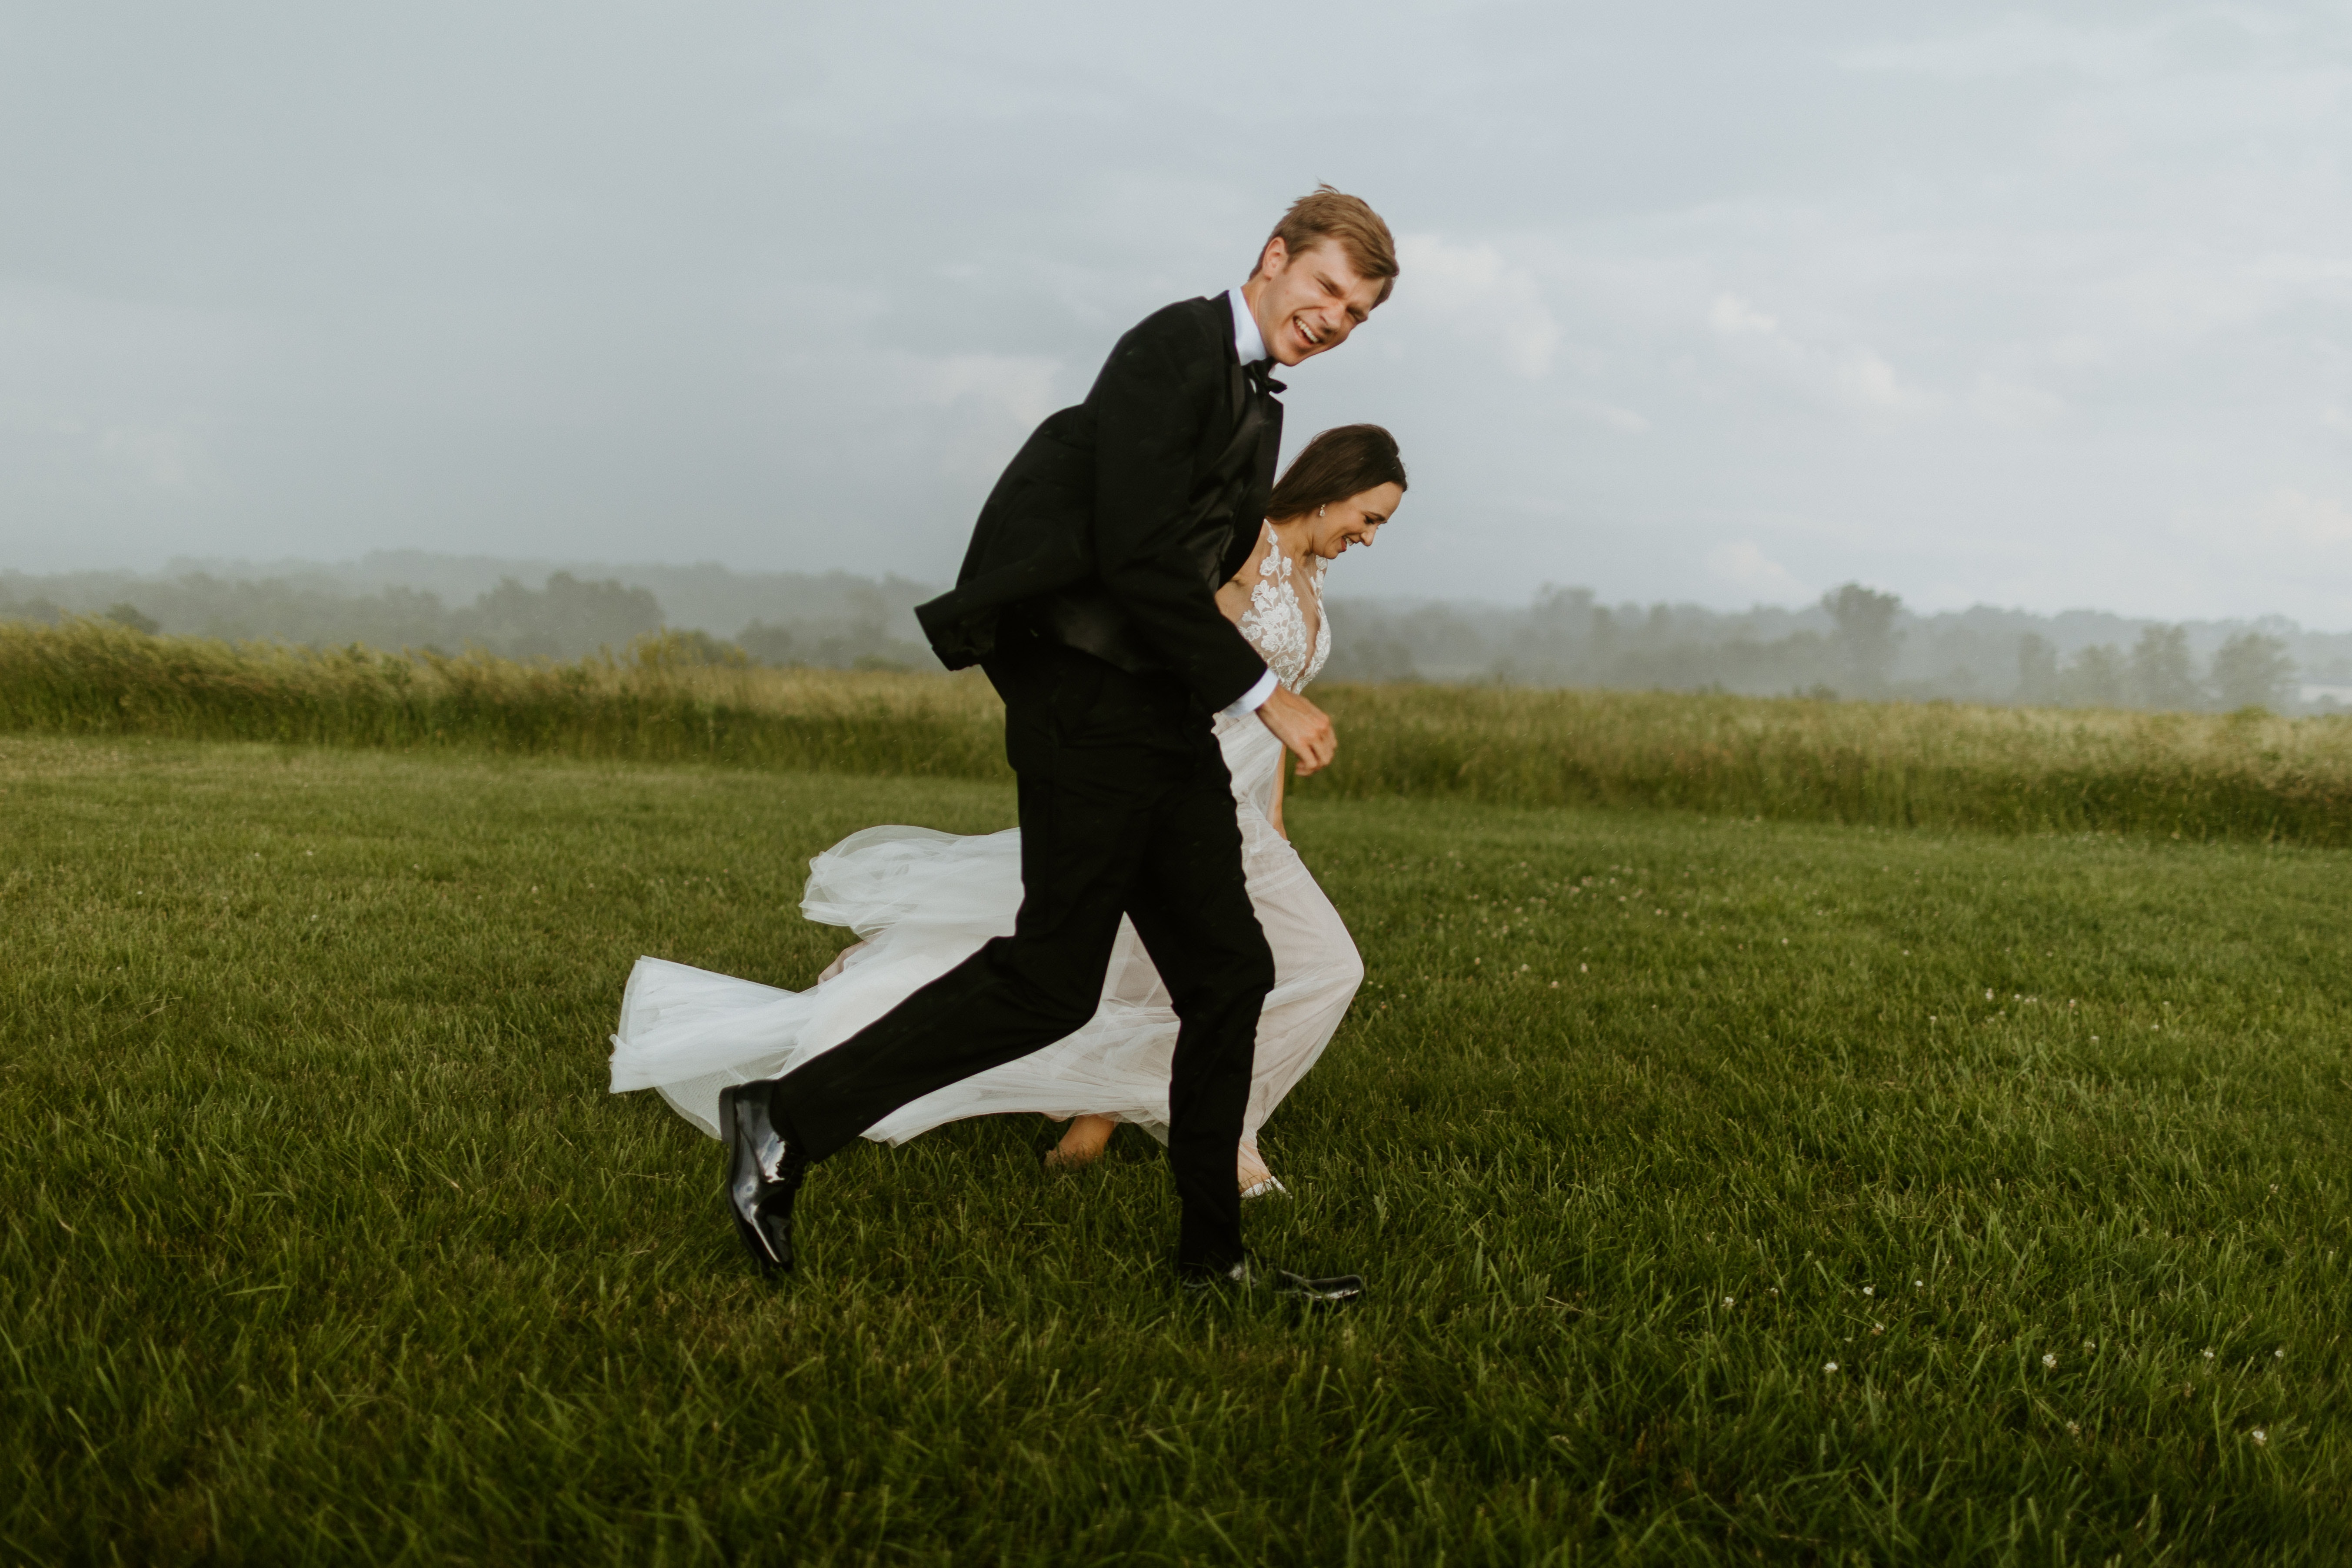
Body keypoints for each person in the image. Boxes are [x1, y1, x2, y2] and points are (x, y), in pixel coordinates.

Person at [613, 186, 1398, 1301]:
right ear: (1273, 258)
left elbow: (1188, 570)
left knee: (1230, 971)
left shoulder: (1256, 404)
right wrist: (1264, 690)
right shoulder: (1169, 348)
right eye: (1326, 289)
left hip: (1161, 717)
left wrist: (1218, 690)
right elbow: (1132, 558)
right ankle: (779, 1121)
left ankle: (1212, 1263)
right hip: (1085, 705)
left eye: (1357, 314)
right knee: (1049, 981)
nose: (1333, 319)